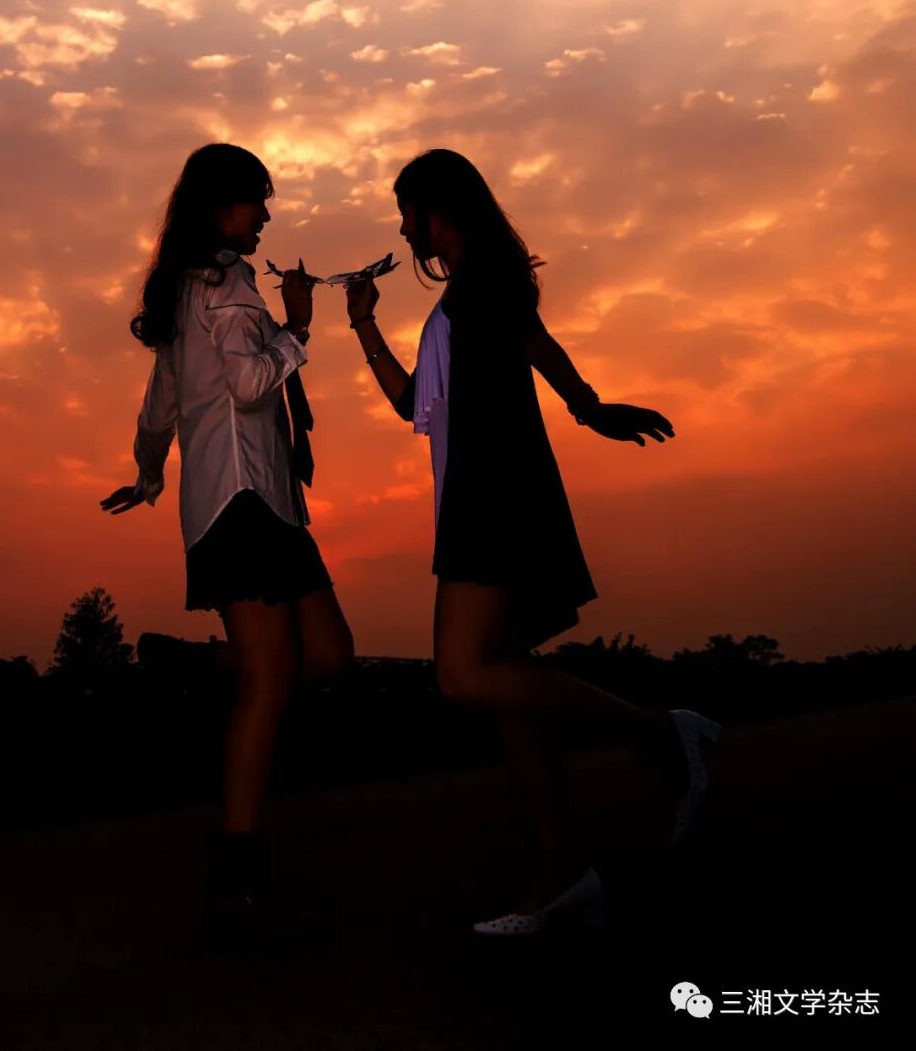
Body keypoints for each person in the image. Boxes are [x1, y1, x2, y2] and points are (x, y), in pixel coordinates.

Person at [344, 148, 721, 937]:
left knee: (462, 675)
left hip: (494, 494)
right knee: (502, 686)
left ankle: (664, 734)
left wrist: (588, 407)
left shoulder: (485, 281)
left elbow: (532, 340)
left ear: (437, 207)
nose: (402, 227)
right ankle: (561, 878)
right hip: (476, 495)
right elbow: (415, 404)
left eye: (406, 210)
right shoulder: (465, 292)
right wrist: (363, 323)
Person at [100, 143, 354, 946]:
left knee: (330, 656)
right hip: (242, 505)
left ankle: (197, 662)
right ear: (221, 207)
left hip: (264, 505)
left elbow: (162, 401)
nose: (266, 216)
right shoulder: (226, 284)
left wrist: (147, 472)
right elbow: (247, 386)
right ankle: (237, 886)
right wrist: (299, 327)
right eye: (257, 202)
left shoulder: (188, 287)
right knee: (271, 683)